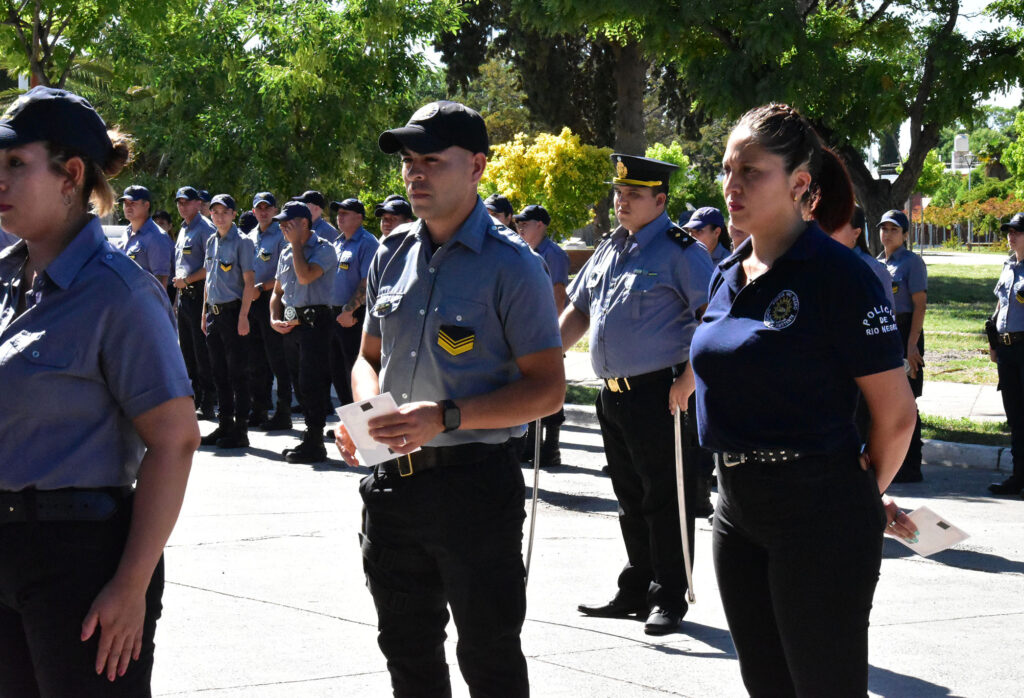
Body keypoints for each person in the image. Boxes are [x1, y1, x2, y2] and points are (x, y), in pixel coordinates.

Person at [334, 100, 564, 697]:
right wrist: (366, 418)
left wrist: (445, 416)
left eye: (432, 160)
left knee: (489, 656)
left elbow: (548, 388)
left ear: (478, 167)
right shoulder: (391, 253)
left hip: (473, 489)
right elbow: (367, 358)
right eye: (409, 161)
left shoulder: (514, 266)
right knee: (406, 653)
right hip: (393, 486)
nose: (415, 173)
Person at [690, 103, 919, 697]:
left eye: (751, 172)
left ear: (799, 184)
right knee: (765, 685)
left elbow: (897, 417)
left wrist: (856, 494)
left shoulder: (839, 275)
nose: (732, 186)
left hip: (818, 516)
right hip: (735, 509)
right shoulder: (728, 271)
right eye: (728, 169)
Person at [0, 86, 198, 696]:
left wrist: (131, 585)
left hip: (80, 560)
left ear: (71, 175)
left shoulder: (120, 293)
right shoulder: (7, 280)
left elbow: (175, 441)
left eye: (16, 163)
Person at [562, 153, 714, 635]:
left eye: (633, 195)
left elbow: (713, 320)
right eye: (618, 193)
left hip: (661, 393)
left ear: (660, 201)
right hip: (612, 394)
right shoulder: (610, 248)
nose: (621, 201)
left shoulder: (682, 252)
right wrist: (543, 359)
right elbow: (579, 311)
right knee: (629, 497)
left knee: (666, 499)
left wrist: (688, 379)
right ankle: (637, 587)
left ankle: (669, 595)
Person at [270, 201, 337, 463]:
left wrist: (297, 244)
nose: (283, 228)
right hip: (292, 324)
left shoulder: (324, 249)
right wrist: (273, 317)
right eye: (282, 223)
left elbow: (306, 276)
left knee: (312, 383)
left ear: (305, 223)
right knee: (298, 382)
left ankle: (316, 441)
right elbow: (277, 292)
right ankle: (309, 437)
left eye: (289, 223)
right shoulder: (287, 251)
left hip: (315, 323)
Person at [514, 203, 569, 467]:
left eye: (525, 224)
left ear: (541, 225)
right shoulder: (523, 251)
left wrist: (551, 334)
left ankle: (551, 447)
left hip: (546, 333)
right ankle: (531, 445)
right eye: (518, 224)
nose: (520, 228)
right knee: (530, 390)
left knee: (549, 388)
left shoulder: (553, 254)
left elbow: (558, 296)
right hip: (526, 332)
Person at [199, 194, 255, 449]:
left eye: (224, 212)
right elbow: (209, 280)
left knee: (237, 373)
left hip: (233, 313)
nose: (219, 217)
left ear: (234, 214)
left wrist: (243, 317)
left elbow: (249, 282)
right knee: (218, 372)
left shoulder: (242, 242)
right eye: (215, 212)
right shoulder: (211, 240)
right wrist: (204, 312)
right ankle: (224, 424)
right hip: (214, 313)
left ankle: (240, 429)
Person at [879, 208, 928, 483]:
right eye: (884, 228)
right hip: (884, 332)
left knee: (907, 400)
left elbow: (920, 305)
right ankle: (892, 463)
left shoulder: (912, 263)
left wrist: (912, 345)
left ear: (906, 235)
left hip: (905, 332)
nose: (887, 234)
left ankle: (911, 465)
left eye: (894, 229)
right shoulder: (877, 262)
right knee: (886, 401)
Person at [246, 192, 292, 431]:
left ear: (275, 210)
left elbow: (286, 272)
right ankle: (259, 408)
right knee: (255, 359)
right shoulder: (249, 237)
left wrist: (262, 287)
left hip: (273, 300)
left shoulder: (281, 235)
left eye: (267, 208)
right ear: (253, 211)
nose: (263, 212)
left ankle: (283, 411)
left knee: (278, 359)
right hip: (251, 301)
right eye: (259, 208)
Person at [329, 197, 379, 412]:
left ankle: (363, 420)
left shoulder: (368, 243)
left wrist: (349, 311)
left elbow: (368, 282)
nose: (339, 217)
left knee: (356, 370)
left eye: (345, 213)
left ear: (359, 217)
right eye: (338, 213)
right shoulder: (338, 242)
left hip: (354, 315)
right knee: (336, 369)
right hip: (333, 315)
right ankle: (348, 419)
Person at [172, 185, 217, 420]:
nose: (182, 206)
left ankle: (208, 400)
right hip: (184, 296)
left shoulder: (205, 229)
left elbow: (212, 266)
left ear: (198, 204)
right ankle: (195, 397)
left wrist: (188, 280)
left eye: (187, 202)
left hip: (200, 294)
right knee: (187, 351)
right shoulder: (183, 229)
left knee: (202, 351)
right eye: (179, 202)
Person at [987, 212, 1024, 496]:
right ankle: (1018, 476)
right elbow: (1001, 305)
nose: (1011, 236)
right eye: (1009, 231)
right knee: (1015, 416)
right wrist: (994, 341)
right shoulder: (1008, 266)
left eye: (1017, 232)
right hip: (1006, 349)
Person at [117, 185, 173, 287]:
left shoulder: (157, 237)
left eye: (133, 203)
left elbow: (160, 283)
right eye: (125, 203)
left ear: (146, 205)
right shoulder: (126, 233)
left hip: (143, 297)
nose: (128, 207)